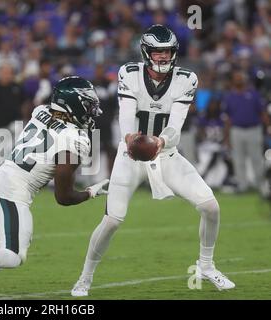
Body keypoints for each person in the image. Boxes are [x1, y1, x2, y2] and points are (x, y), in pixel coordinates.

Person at [71, 25, 235, 297]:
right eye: (157, 52)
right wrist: (131, 138)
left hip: (165, 154)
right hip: (130, 154)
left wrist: (159, 142)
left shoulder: (186, 79)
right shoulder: (129, 73)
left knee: (211, 207)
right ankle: (85, 277)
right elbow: (126, 115)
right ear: (146, 52)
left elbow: (176, 124)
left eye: (167, 52)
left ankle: (206, 266)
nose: (162, 57)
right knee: (112, 220)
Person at [0, 76, 110, 300]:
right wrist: (92, 191)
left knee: (9, 248)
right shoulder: (74, 139)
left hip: (1, 179)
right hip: (12, 189)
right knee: (14, 254)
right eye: (88, 105)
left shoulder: (41, 111)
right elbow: (63, 197)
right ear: (73, 105)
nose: (92, 111)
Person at [222, 70, 269, 193]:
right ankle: (242, 185)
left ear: (244, 80)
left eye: (240, 78)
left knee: (257, 158)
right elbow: (227, 118)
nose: (238, 80)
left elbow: (263, 113)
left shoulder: (254, 94)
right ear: (233, 81)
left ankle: (261, 185)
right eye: (236, 78)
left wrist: (268, 127)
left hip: (254, 129)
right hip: (236, 130)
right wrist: (226, 137)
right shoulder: (230, 97)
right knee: (238, 159)